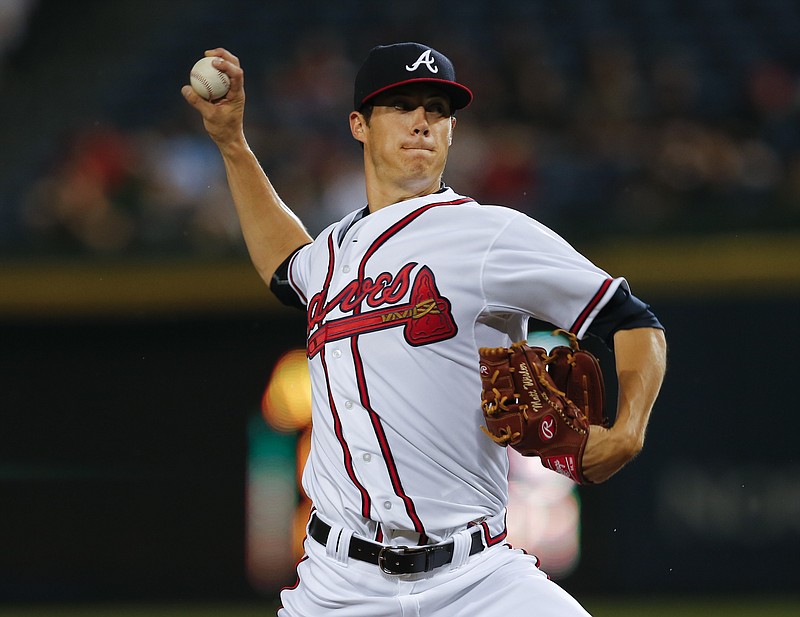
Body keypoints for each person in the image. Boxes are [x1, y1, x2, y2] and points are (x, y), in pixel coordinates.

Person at [182, 42, 667, 616]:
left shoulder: (490, 234)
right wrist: (232, 144)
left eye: (437, 108)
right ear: (359, 125)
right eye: (401, 105)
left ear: (452, 131)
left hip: (478, 577)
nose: (421, 121)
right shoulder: (330, 255)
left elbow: (632, 320)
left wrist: (630, 427)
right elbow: (285, 266)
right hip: (339, 586)